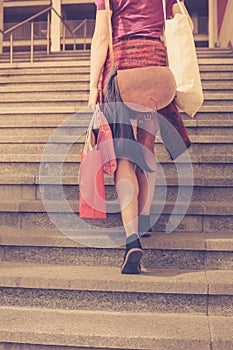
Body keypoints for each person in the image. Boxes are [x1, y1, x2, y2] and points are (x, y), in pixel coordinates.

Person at [88, 0, 193, 274]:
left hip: (122, 68)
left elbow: (101, 37)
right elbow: (187, 26)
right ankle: (144, 216)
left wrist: (91, 88)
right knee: (147, 148)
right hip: (156, 67)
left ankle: (132, 237)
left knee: (124, 154)